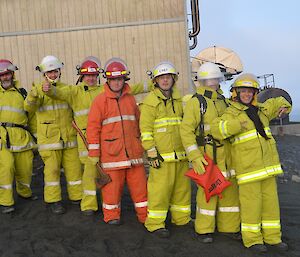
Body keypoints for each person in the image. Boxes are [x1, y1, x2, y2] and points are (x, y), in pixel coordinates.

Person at [42, 56, 152, 216]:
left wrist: (153, 83)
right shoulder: (75, 91)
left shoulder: (104, 89)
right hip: (87, 139)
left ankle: (106, 203)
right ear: (82, 76)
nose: (91, 78)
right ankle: (89, 205)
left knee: (107, 173)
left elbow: (132, 88)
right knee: (89, 172)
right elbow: (58, 93)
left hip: (107, 138)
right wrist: (49, 89)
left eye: (93, 75)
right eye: (87, 75)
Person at [210, 73, 290, 253]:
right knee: (251, 207)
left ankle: (273, 238)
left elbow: (278, 100)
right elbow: (217, 129)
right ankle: (253, 240)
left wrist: (286, 106)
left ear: (255, 93)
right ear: (235, 93)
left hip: (268, 168)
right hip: (248, 171)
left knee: (271, 205)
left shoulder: (261, 110)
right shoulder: (231, 112)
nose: (246, 94)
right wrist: (238, 123)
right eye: (243, 91)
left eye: (250, 91)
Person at [180, 62, 240, 243]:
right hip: (208, 155)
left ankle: (229, 227)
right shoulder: (196, 102)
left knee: (229, 191)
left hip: (227, 154)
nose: (213, 83)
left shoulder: (224, 101)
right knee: (208, 192)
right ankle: (204, 229)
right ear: (202, 81)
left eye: (215, 79)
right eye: (209, 79)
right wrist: (195, 156)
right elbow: (186, 130)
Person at [86, 58, 148, 225]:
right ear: (108, 80)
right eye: (113, 79)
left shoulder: (130, 100)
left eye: (119, 79)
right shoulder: (99, 101)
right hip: (111, 156)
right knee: (111, 190)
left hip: (134, 154)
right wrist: (94, 153)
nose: (116, 82)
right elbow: (93, 129)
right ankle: (112, 216)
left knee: (141, 189)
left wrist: (145, 145)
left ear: (124, 79)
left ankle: (145, 216)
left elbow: (139, 123)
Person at [24, 55, 82, 214]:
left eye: (55, 71)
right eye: (49, 72)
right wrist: (34, 95)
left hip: (68, 138)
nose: (53, 75)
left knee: (74, 169)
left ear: (59, 71)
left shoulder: (66, 89)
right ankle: (53, 201)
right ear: (44, 74)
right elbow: (28, 108)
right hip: (50, 140)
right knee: (52, 171)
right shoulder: (37, 90)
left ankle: (77, 197)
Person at [139, 61, 191, 238]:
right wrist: (151, 153)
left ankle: (182, 219)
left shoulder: (180, 100)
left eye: (168, 77)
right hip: (161, 158)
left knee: (182, 190)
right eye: (161, 77)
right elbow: (145, 131)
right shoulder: (150, 103)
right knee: (159, 192)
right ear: (155, 81)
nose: (165, 80)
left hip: (181, 155)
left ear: (173, 79)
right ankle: (155, 223)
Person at [0, 59, 36, 214]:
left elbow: (32, 116)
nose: (5, 77)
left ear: (12, 74)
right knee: (6, 168)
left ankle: (24, 192)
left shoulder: (23, 93)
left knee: (25, 168)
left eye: (7, 74)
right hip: (2, 137)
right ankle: (6, 201)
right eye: (2, 75)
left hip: (21, 136)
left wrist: (37, 137)